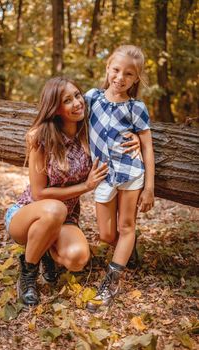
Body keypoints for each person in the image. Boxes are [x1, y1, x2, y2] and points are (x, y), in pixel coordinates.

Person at [4, 77, 140, 307]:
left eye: (78, 95)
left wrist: (135, 138)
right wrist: (85, 187)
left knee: (78, 259)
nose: (77, 103)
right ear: (55, 109)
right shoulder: (41, 138)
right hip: (28, 215)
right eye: (67, 100)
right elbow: (39, 194)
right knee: (54, 209)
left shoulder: (89, 132)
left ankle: (45, 251)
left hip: (66, 218)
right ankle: (27, 275)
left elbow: (120, 124)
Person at [85, 45, 155, 312]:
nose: (120, 77)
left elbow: (147, 147)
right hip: (102, 175)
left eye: (128, 74)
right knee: (106, 234)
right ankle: (126, 249)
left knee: (126, 227)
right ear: (107, 68)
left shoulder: (136, 107)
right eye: (116, 70)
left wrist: (149, 187)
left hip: (130, 174)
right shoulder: (92, 98)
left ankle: (110, 284)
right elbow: (72, 124)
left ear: (136, 79)